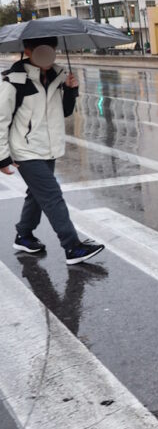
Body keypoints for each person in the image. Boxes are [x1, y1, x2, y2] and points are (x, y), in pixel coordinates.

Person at [0, 37, 104, 264]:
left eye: (52, 49)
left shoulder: (58, 76)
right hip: (25, 150)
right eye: (42, 50)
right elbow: (1, 119)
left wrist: (71, 90)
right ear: (28, 51)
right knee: (51, 195)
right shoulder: (14, 81)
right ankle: (72, 246)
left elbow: (64, 111)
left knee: (37, 194)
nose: (48, 54)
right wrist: (2, 158)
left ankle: (24, 235)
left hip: (49, 147)